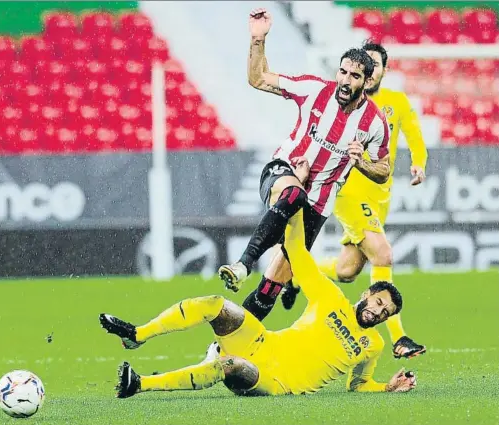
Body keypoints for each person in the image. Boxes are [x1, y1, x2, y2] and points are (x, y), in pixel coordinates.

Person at [99, 209, 417, 398]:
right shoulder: (330, 297)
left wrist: (386, 388)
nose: (377, 312)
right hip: (263, 341)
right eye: (378, 302)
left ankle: (139, 384)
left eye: (384, 312)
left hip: (275, 381)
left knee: (228, 366)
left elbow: (358, 385)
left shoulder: (372, 344)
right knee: (215, 304)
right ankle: (137, 334)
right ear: (365, 295)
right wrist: (295, 209)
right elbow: (297, 252)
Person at [218, 8, 391, 323]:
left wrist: (362, 162)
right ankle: (242, 265)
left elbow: (384, 170)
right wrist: (258, 39)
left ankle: (225, 349)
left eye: (354, 76)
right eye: (342, 72)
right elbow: (258, 78)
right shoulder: (314, 90)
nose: (345, 80)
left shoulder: (375, 123)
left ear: (366, 82)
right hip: (282, 173)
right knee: (294, 193)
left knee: (270, 289)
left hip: (318, 205)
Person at [281, 41, 428, 359]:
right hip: (349, 190)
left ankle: (293, 273)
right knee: (384, 255)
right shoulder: (344, 106)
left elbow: (414, 134)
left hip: (378, 198)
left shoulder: (395, 103)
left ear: (383, 72)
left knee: (347, 270)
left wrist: (419, 163)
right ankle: (399, 338)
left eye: (375, 67)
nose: (370, 73)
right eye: (366, 67)